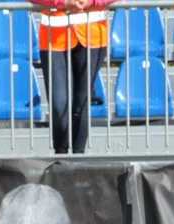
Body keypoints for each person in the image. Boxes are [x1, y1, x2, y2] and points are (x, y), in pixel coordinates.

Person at [30, 0, 112, 155]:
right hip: (53, 38)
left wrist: (91, 2)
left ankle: (78, 161)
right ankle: (60, 158)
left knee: (82, 104)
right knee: (59, 104)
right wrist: (61, 2)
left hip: (92, 36)